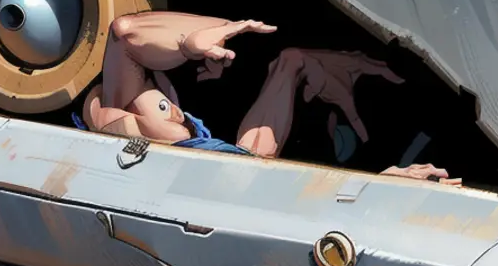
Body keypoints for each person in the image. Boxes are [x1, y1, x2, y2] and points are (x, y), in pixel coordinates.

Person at [80, 11, 460, 184]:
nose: (174, 109)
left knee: (290, 64)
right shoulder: (139, 114)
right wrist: (196, 37)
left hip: (241, 169)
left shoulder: (141, 111)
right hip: (238, 179)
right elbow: (124, 32)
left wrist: (195, 40)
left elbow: (125, 34)